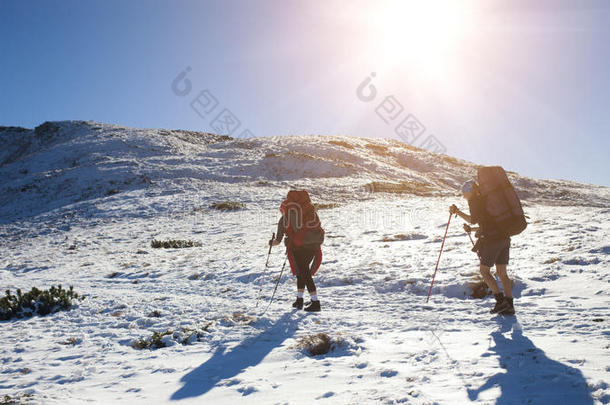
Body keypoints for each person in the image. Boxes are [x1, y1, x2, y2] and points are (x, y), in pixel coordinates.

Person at [450, 180, 515, 315]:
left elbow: (473, 219)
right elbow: (488, 223)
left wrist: (457, 212)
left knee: (484, 271)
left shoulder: (474, 201)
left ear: (470, 191)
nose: (464, 196)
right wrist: (472, 229)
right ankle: (509, 305)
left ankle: (500, 301)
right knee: (502, 272)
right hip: (504, 238)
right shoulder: (487, 200)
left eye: (464, 193)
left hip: (493, 241)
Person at [270, 190, 324, 312]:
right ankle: (299, 300)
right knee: (302, 272)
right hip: (314, 245)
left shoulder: (285, 217)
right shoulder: (311, 212)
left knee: (304, 272)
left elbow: (277, 241)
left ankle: (315, 302)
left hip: (298, 247)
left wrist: (271, 243)